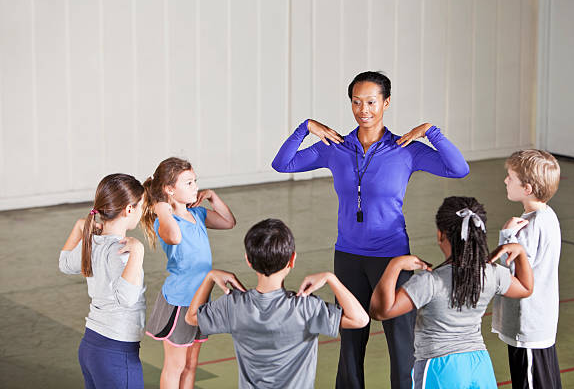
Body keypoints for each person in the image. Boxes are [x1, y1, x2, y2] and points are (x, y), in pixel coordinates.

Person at [271, 70, 469, 388]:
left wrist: (431, 132)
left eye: (371, 102)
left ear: (386, 103)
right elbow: (283, 164)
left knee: (402, 344)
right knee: (350, 341)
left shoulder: (404, 149)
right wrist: (305, 128)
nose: (364, 110)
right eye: (356, 102)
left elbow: (458, 168)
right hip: (348, 255)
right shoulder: (335, 147)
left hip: (391, 257)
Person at [370, 196, 534, 388]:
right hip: (479, 365)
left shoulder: (430, 282)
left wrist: (394, 265)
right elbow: (525, 287)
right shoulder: (491, 273)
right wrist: (520, 253)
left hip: (440, 367)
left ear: (441, 235)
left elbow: (380, 311)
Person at [184, 218, 369, 389]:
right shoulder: (305, 308)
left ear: (248, 260)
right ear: (292, 260)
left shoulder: (233, 305)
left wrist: (209, 277)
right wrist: (331, 278)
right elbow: (360, 319)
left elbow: (191, 318)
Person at [141, 157, 236, 389]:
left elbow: (228, 222)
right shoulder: (164, 222)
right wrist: (162, 208)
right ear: (169, 189)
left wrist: (213, 196)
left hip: (201, 299)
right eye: (189, 183)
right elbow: (174, 237)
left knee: (192, 365)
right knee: (176, 366)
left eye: (195, 181)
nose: (195, 187)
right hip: (180, 301)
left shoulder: (200, 215)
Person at [59, 173, 147, 389]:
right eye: (141, 206)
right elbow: (126, 298)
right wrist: (138, 253)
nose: (143, 211)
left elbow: (64, 263)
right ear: (128, 209)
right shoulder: (123, 251)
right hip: (116, 354)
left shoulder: (92, 242)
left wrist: (80, 227)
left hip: (91, 347)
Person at [492, 150, 562, 388]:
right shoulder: (548, 216)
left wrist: (507, 235)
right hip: (540, 322)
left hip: (528, 325)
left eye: (510, 177)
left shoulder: (529, 227)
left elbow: (513, 276)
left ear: (528, 188)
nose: (505, 181)